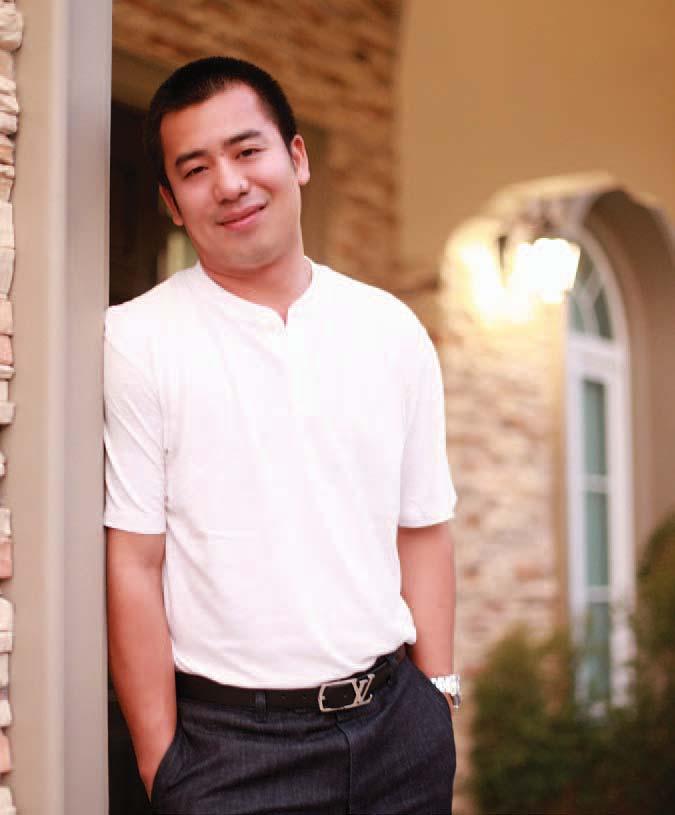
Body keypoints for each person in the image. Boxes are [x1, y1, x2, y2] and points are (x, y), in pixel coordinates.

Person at [104, 56, 460, 815]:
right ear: (171, 203)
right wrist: (163, 767)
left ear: (296, 157)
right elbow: (134, 562)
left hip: (397, 729)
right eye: (195, 169)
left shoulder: (390, 329)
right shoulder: (135, 340)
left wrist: (439, 700)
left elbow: (423, 526)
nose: (229, 184)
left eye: (247, 150)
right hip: (231, 750)